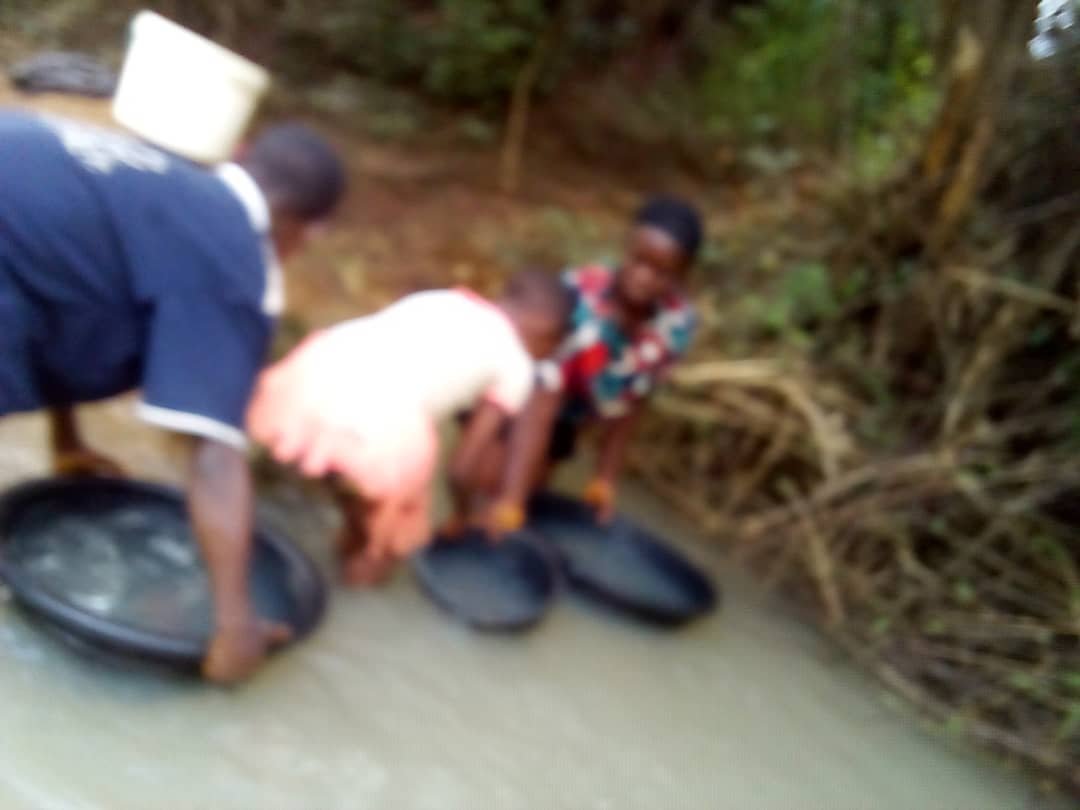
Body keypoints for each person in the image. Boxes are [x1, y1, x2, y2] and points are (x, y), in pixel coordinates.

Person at [0, 110, 347, 683]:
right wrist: (235, 628)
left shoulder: (166, 183)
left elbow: (68, 290)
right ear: (312, 231)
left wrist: (69, 442)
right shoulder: (231, 262)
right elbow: (212, 455)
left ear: (240, 154)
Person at [246, 270, 573, 584]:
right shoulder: (516, 365)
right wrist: (463, 512)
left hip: (321, 369)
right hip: (385, 423)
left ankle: (335, 532)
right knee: (386, 544)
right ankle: (360, 583)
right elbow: (461, 468)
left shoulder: (447, 298)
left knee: (354, 486)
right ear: (547, 337)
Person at [472, 196, 703, 535]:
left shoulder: (676, 326)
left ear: (682, 276)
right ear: (626, 249)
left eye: (660, 272)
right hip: (518, 398)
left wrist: (604, 480)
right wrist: (511, 499)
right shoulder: (580, 299)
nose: (643, 277)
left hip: (569, 417)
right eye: (637, 261)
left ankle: (528, 476)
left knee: (537, 507)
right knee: (488, 488)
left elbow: (635, 400)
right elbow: (542, 397)